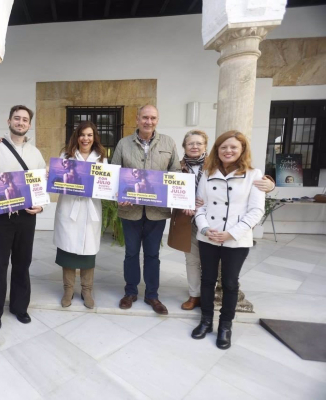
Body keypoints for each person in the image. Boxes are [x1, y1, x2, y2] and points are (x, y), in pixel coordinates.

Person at [168, 130, 275, 311]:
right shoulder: (176, 168)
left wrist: (270, 184)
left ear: (206, 146)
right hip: (188, 221)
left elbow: (251, 182)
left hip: (217, 223)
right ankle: (195, 296)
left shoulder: (215, 164)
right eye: (190, 143)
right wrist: (181, 203)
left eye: (199, 143)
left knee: (220, 269)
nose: (194, 146)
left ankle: (215, 298)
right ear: (184, 147)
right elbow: (166, 189)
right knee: (192, 261)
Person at [191, 130, 265, 350]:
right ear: (217, 150)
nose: (228, 151)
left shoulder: (254, 175)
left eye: (233, 147)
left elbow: (256, 211)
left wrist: (231, 233)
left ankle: (225, 326)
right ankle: (205, 320)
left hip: (236, 240)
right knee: (207, 280)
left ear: (242, 150)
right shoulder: (207, 172)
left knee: (230, 284)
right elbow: (200, 205)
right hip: (209, 237)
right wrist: (204, 229)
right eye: (224, 147)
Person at [0, 105, 46, 330]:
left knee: (22, 263)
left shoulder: (35, 154)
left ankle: (19, 307)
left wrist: (40, 207)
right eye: (17, 118)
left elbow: (41, 186)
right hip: (0, 216)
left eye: (25, 120)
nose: (21, 122)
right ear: (8, 121)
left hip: (26, 216)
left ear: (29, 125)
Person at [111, 105, 179, 315]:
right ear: (137, 119)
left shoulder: (168, 142)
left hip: (156, 212)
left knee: (152, 254)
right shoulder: (124, 143)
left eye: (153, 118)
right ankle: (130, 292)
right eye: (145, 118)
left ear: (157, 120)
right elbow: (114, 174)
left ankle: (152, 295)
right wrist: (119, 196)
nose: (149, 122)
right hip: (130, 210)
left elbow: (175, 172)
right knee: (131, 253)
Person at [54, 121, 107, 309]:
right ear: (77, 136)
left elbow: (105, 184)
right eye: (82, 135)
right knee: (68, 250)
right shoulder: (66, 156)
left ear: (94, 138)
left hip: (90, 209)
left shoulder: (101, 158)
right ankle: (68, 289)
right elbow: (58, 180)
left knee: (88, 251)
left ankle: (87, 290)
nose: (86, 138)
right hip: (70, 209)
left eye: (90, 135)